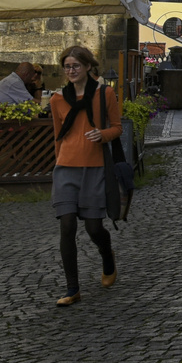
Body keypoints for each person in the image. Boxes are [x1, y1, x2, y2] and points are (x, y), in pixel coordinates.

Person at [48, 45, 121, 306]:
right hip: (66, 169)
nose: (71, 70)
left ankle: (107, 255)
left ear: (88, 67)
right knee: (66, 225)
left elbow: (117, 128)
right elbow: (59, 136)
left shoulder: (105, 94)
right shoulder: (57, 99)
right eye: (67, 66)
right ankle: (72, 289)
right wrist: (58, 163)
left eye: (76, 66)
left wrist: (102, 135)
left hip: (94, 168)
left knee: (93, 228)